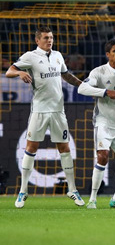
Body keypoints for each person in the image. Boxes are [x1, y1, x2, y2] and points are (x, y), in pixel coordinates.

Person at [6, 26, 84, 208]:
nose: (50, 40)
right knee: (31, 147)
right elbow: (9, 71)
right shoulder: (30, 56)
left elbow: (66, 75)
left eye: (51, 37)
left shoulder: (57, 55)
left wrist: (83, 85)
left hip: (58, 110)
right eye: (46, 38)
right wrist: (19, 72)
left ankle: (72, 189)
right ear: (37, 40)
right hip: (40, 110)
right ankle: (23, 191)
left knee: (64, 147)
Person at [78, 39, 115, 209]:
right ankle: (92, 199)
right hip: (103, 121)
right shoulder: (98, 72)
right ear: (108, 54)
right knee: (102, 156)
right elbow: (82, 89)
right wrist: (104, 92)